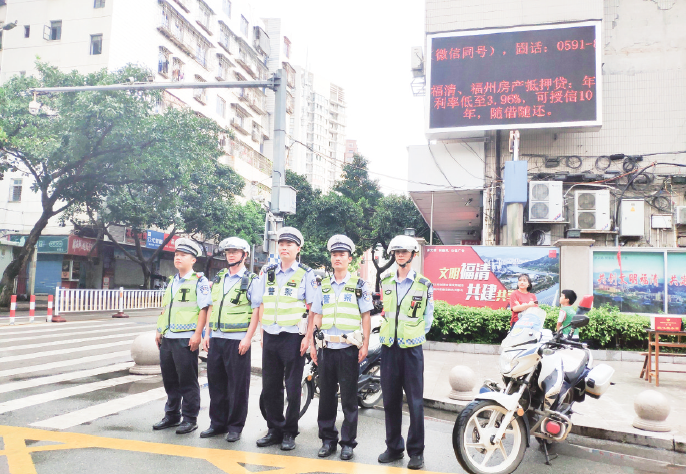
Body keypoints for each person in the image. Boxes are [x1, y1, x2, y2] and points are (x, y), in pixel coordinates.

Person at [309, 235, 372, 461]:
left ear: (349, 259)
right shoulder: (323, 285)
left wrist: (364, 344)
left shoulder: (359, 285)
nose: (337, 258)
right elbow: (317, 314)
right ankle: (328, 440)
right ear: (331, 258)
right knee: (326, 397)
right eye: (334, 255)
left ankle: (347, 443)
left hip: (348, 349)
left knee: (348, 398)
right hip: (326, 349)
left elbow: (366, 316)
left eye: (342, 255)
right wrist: (313, 345)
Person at [255, 226, 317, 451]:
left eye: (289, 244)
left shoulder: (306, 274)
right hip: (270, 336)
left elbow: (312, 308)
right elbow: (261, 303)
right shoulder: (268, 271)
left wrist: (308, 337)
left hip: (293, 337)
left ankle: (290, 432)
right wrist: (261, 332)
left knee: (292, 388)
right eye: (281, 244)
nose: (284, 247)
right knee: (270, 386)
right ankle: (274, 429)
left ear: (298, 248)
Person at [377, 235, 433, 471]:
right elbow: (385, 312)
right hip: (389, 348)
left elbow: (428, 319)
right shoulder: (385, 281)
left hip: (411, 350)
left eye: (405, 251)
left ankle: (416, 452)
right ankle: (394, 447)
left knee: (415, 402)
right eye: (397, 251)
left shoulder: (424, 284)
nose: (400, 255)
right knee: (390, 401)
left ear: (413, 254)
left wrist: (412, 334)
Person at [200, 237, 260, 442]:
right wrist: (207, 334)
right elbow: (211, 307)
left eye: (235, 251)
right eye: (228, 252)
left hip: (237, 341)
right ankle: (217, 424)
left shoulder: (252, 279)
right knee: (216, 384)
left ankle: (235, 426)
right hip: (216, 338)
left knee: (237, 386)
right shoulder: (219, 278)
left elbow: (256, 311)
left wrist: (247, 338)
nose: (231, 255)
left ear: (245, 255)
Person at [154, 238, 211, 434]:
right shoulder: (172, 281)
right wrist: (159, 330)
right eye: (176, 255)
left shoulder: (199, 281)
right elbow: (166, 309)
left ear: (193, 260)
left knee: (187, 380)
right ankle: (171, 415)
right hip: (168, 337)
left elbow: (204, 308)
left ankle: (189, 418)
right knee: (169, 379)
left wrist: (198, 334)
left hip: (186, 338)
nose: (178, 258)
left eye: (183, 255)